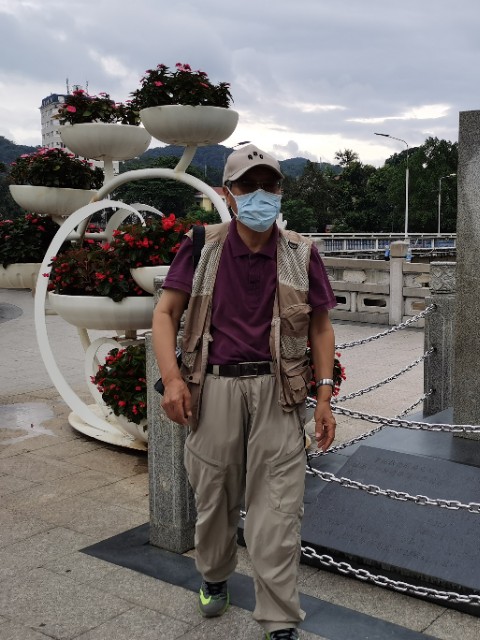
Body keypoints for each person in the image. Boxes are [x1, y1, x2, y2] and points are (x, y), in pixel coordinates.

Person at [152, 143, 337, 640]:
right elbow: (165, 314)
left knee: (279, 507)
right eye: (248, 186)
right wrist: (172, 379)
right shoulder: (202, 246)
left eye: (269, 186)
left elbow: (320, 327)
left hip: (280, 392)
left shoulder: (301, 252)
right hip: (213, 390)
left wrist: (323, 396)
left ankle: (278, 617)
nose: (260, 195)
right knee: (213, 497)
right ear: (228, 194)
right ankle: (214, 574)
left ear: (280, 191)